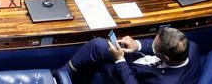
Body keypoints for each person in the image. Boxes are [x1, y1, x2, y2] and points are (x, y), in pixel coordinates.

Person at [63, 26, 201, 84]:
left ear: (165, 58)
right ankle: (67, 74)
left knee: (97, 55)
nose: (151, 44)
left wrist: (120, 60)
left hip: (130, 77)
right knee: (98, 45)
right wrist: (137, 45)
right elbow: (156, 46)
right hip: (141, 62)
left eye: (154, 46)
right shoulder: (188, 46)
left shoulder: (164, 82)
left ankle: (60, 77)